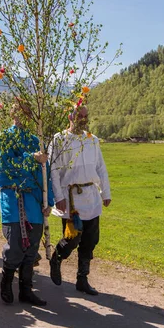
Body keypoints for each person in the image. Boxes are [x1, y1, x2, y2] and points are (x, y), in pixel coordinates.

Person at [0, 102, 54, 306]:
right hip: (13, 198)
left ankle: (26, 290)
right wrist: (30, 159)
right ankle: (6, 282)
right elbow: (3, 166)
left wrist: (49, 200)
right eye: (19, 112)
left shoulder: (37, 140)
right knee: (16, 246)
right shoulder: (3, 138)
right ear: (12, 114)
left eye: (27, 113)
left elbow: (45, 174)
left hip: (35, 200)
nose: (23, 116)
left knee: (32, 247)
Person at [48, 105, 111, 296]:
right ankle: (56, 258)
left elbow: (100, 167)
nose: (82, 119)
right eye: (79, 115)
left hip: (91, 197)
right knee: (72, 238)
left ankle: (82, 279)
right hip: (71, 198)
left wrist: (105, 192)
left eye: (85, 116)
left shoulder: (92, 140)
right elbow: (54, 171)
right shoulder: (59, 140)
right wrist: (58, 197)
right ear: (70, 116)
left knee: (90, 240)